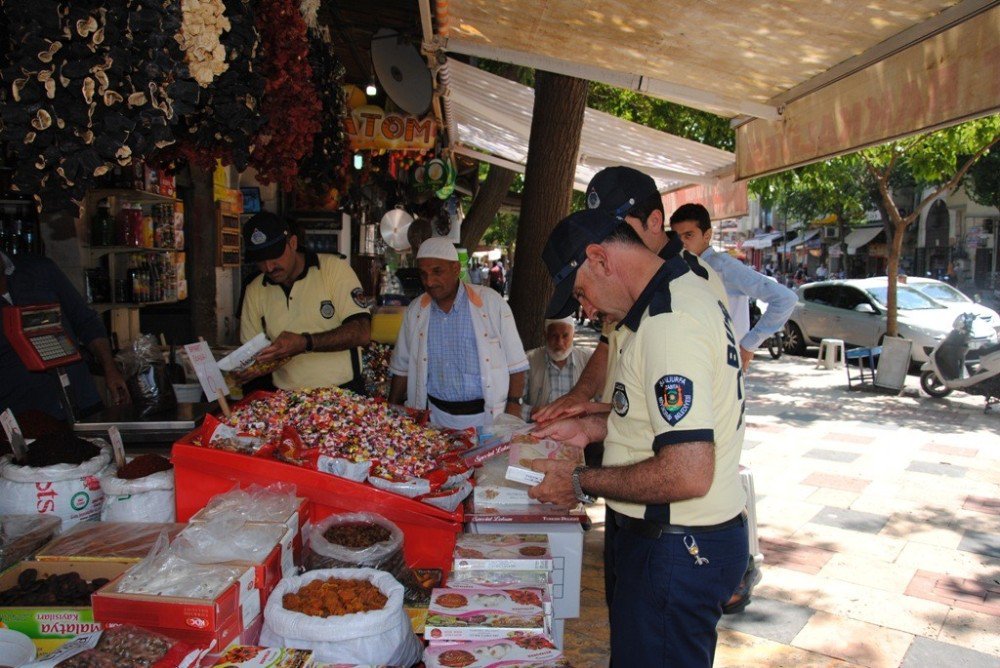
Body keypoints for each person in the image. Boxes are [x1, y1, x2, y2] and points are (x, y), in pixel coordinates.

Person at [531, 209, 748, 667]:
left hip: (676, 547)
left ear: (600, 259)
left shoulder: (669, 322)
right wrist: (590, 426)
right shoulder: (674, 296)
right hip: (673, 543)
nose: (586, 311)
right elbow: (657, 421)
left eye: (581, 294)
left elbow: (687, 472)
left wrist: (579, 481)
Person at [388, 237, 528, 430]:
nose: (429, 281)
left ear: (456, 268)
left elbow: (516, 365)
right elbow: (401, 368)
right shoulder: (416, 310)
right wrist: (391, 411)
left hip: (486, 418)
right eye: (423, 274)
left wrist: (513, 408)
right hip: (433, 417)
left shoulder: (491, 302)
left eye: (437, 271)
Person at [238, 212, 371, 393]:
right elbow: (251, 354)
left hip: (343, 393)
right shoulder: (255, 289)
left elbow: (361, 332)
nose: (269, 267)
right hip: (286, 398)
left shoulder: (333, 269)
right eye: (261, 260)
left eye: (275, 256)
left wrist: (304, 343)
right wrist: (247, 369)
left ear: (292, 243)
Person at [1, 251, 128, 421]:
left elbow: (86, 321)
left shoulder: (40, 269)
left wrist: (110, 368)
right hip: (26, 419)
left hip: (83, 400)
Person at [669, 203, 797, 372]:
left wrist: (748, 345)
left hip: (724, 365)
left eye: (689, 235)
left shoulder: (723, 267)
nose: (682, 243)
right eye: (677, 237)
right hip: (697, 361)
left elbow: (785, 298)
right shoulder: (684, 266)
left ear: (707, 235)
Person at [523, 316, 594, 415]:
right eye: (554, 336)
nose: (559, 343)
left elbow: (603, 399)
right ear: (545, 335)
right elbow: (515, 403)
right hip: (541, 426)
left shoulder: (589, 360)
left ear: (573, 335)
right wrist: (534, 411)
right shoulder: (528, 361)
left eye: (565, 336)